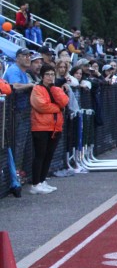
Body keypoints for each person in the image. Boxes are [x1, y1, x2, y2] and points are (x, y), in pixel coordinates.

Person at [29, 63, 69, 195]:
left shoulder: (55, 89)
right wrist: (58, 108)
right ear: (42, 76)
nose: (50, 77)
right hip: (40, 127)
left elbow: (64, 101)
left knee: (48, 155)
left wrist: (55, 89)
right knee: (40, 155)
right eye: (47, 74)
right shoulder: (37, 89)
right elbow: (41, 106)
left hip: (55, 127)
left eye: (52, 74)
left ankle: (42, 180)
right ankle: (35, 183)